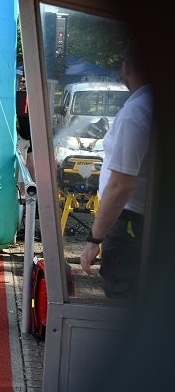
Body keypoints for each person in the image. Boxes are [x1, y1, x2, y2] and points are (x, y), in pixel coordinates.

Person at [80, 40, 152, 301]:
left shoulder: (136, 111)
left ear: (127, 67)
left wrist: (94, 239)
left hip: (129, 224)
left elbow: (121, 185)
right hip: (143, 222)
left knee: (123, 297)